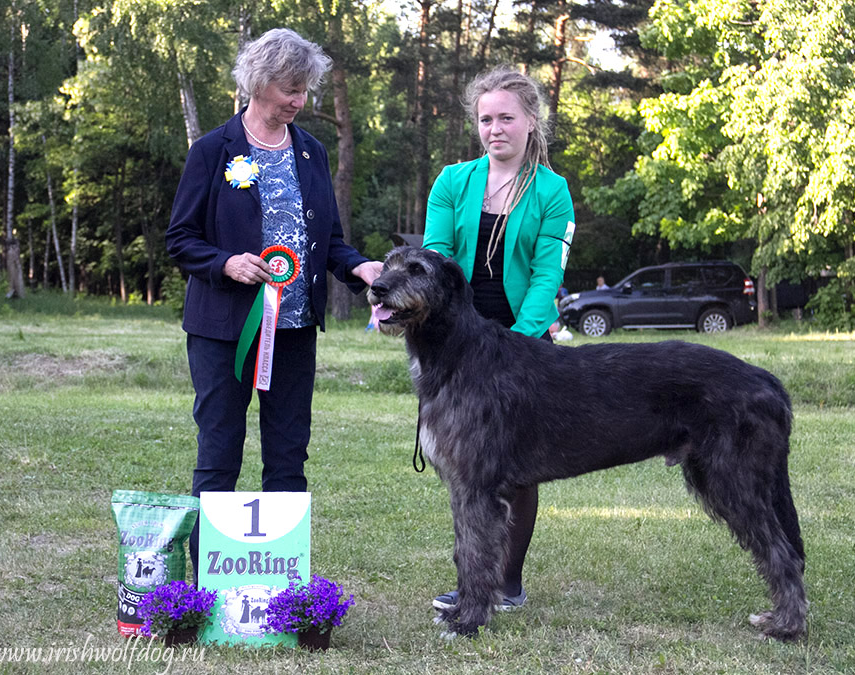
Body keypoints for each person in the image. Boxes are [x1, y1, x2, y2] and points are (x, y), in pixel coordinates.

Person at [165, 28, 382, 574]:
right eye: (291, 88)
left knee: (288, 455)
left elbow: (326, 239)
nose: (300, 101)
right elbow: (180, 239)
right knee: (219, 453)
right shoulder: (213, 150)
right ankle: (204, 583)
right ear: (259, 84)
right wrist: (226, 263)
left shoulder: (311, 151)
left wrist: (358, 266)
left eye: (306, 90)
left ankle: (281, 582)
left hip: (294, 330)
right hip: (223, 333)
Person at [422, 66, 575, 611]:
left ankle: (507, 584)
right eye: (485, 119)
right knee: (467, 466)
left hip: (522, 347)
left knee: (518, 465)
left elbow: (545, 277)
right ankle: (475, 584)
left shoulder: (553, 191)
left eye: (506, 118)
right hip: (457, 345)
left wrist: (516, 341)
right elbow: (435, 261)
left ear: (531, 122)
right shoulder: (452, 182)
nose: (494, 129)